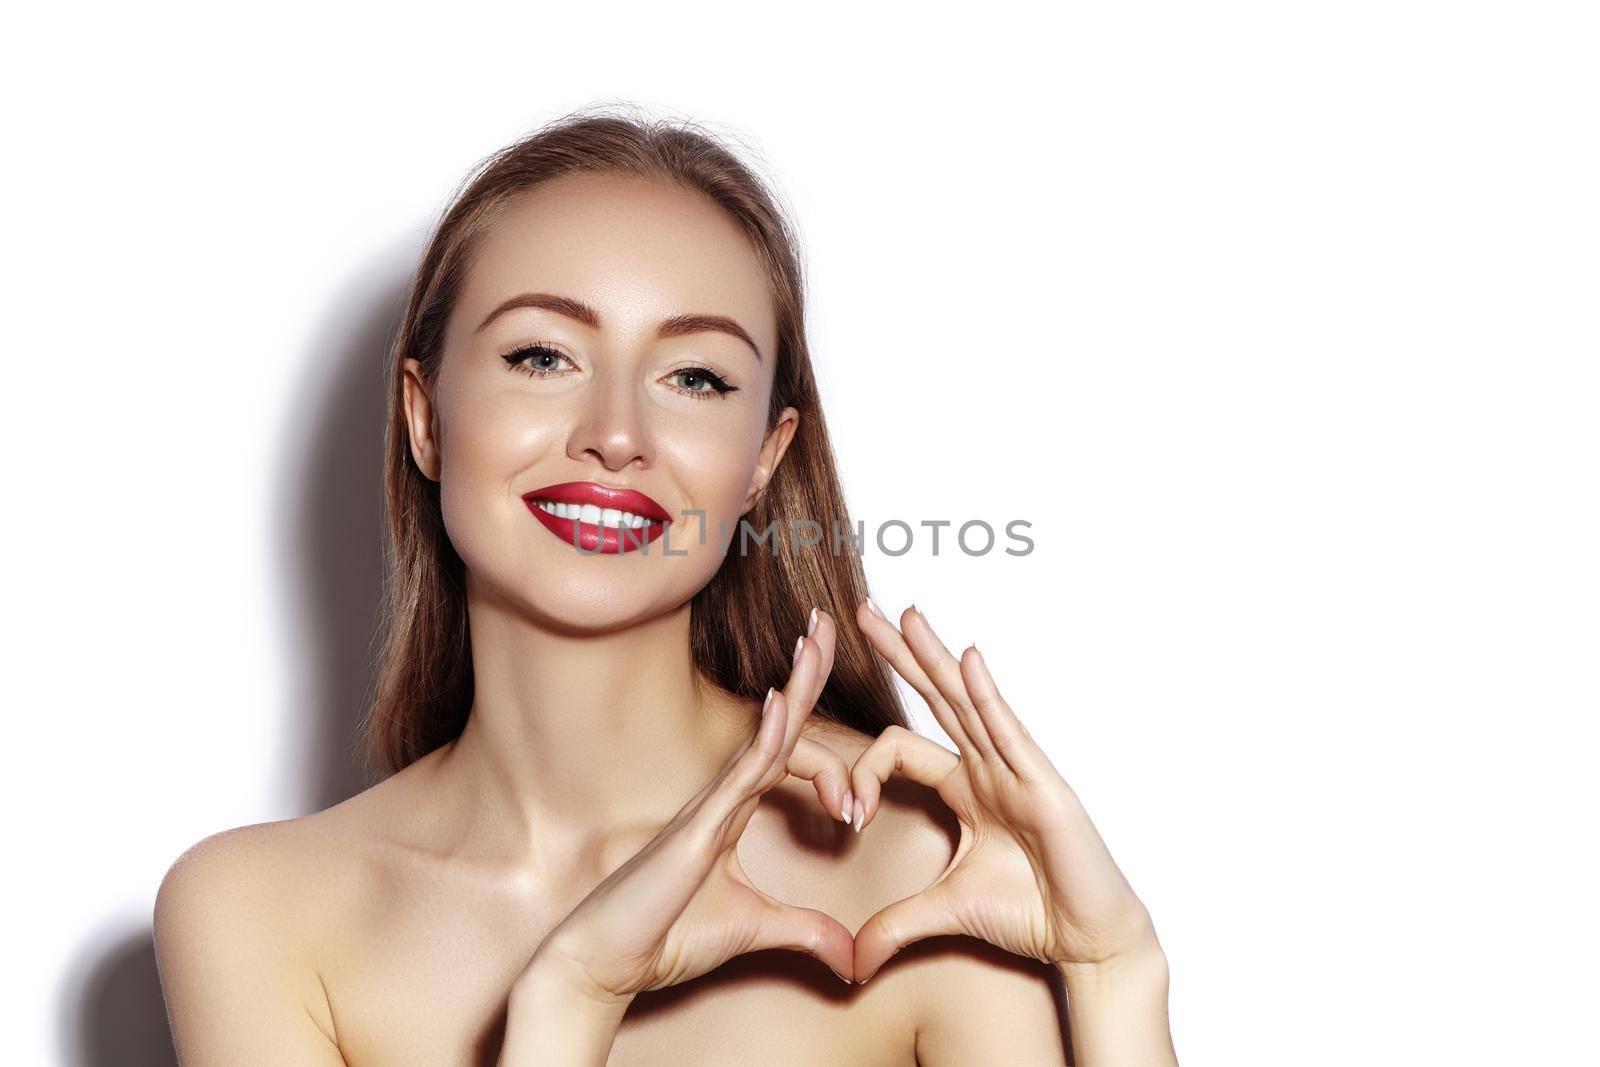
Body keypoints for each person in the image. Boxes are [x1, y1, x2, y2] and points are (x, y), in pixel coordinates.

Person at [152, 107, 1178, 1066]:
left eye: (695, 377)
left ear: (764, 459)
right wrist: (563, 1003)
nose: (614, 433)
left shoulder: (919, 871)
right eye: (541, 354)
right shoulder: (258, 911)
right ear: (426, 418)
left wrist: (1118, 973)